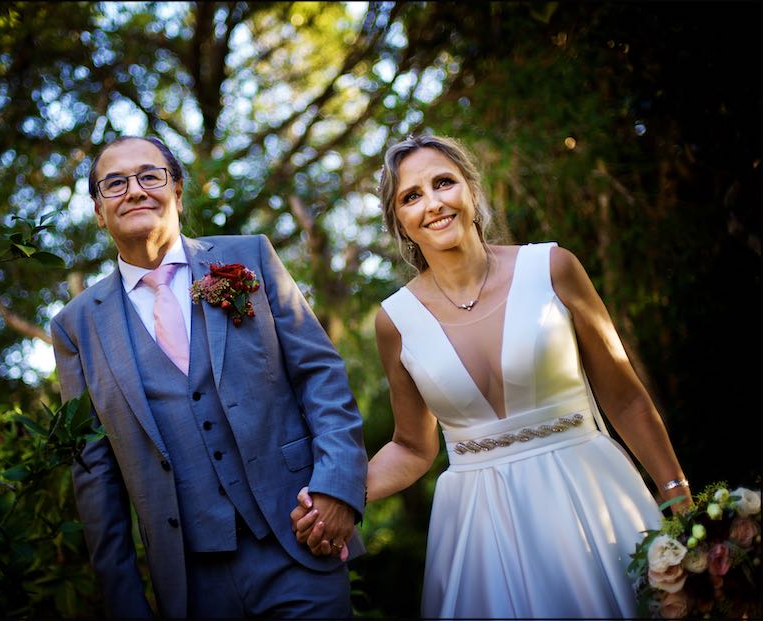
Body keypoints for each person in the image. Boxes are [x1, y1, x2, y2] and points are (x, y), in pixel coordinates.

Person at [292, 134, 693, 618]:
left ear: (471, 189)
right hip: (481, 526)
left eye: (444, 183)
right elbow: (414, 447)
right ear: (398, 220)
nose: (434, 203)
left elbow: (626, 399)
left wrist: (678, 498)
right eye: (411, 196)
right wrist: (340, 495)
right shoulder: (394, 321)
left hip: (593, 494)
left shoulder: (553, 267)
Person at [51, 135, 368, 619]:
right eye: (114, 183)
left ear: (176, 190)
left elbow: (320, 377)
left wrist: (337, 488)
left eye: (149, 176)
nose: (134, 190)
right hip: (190, 584)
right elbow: (94, 474)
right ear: (98, 211)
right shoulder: (76, 325)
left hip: (299, 541)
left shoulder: (250, 258)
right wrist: (125, 602)